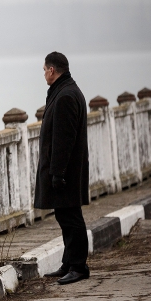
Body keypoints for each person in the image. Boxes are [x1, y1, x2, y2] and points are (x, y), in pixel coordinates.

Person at [34, 52, 90, 285]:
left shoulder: (66, 95)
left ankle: (79, 266)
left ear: (52, 70)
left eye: (44, 70)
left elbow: (64, 140)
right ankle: (69, 262)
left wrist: (57, 173)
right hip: (66, 170)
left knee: (71, 217)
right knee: (64, 214)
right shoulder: (65, 91)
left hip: (65, 171)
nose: (44, 74)